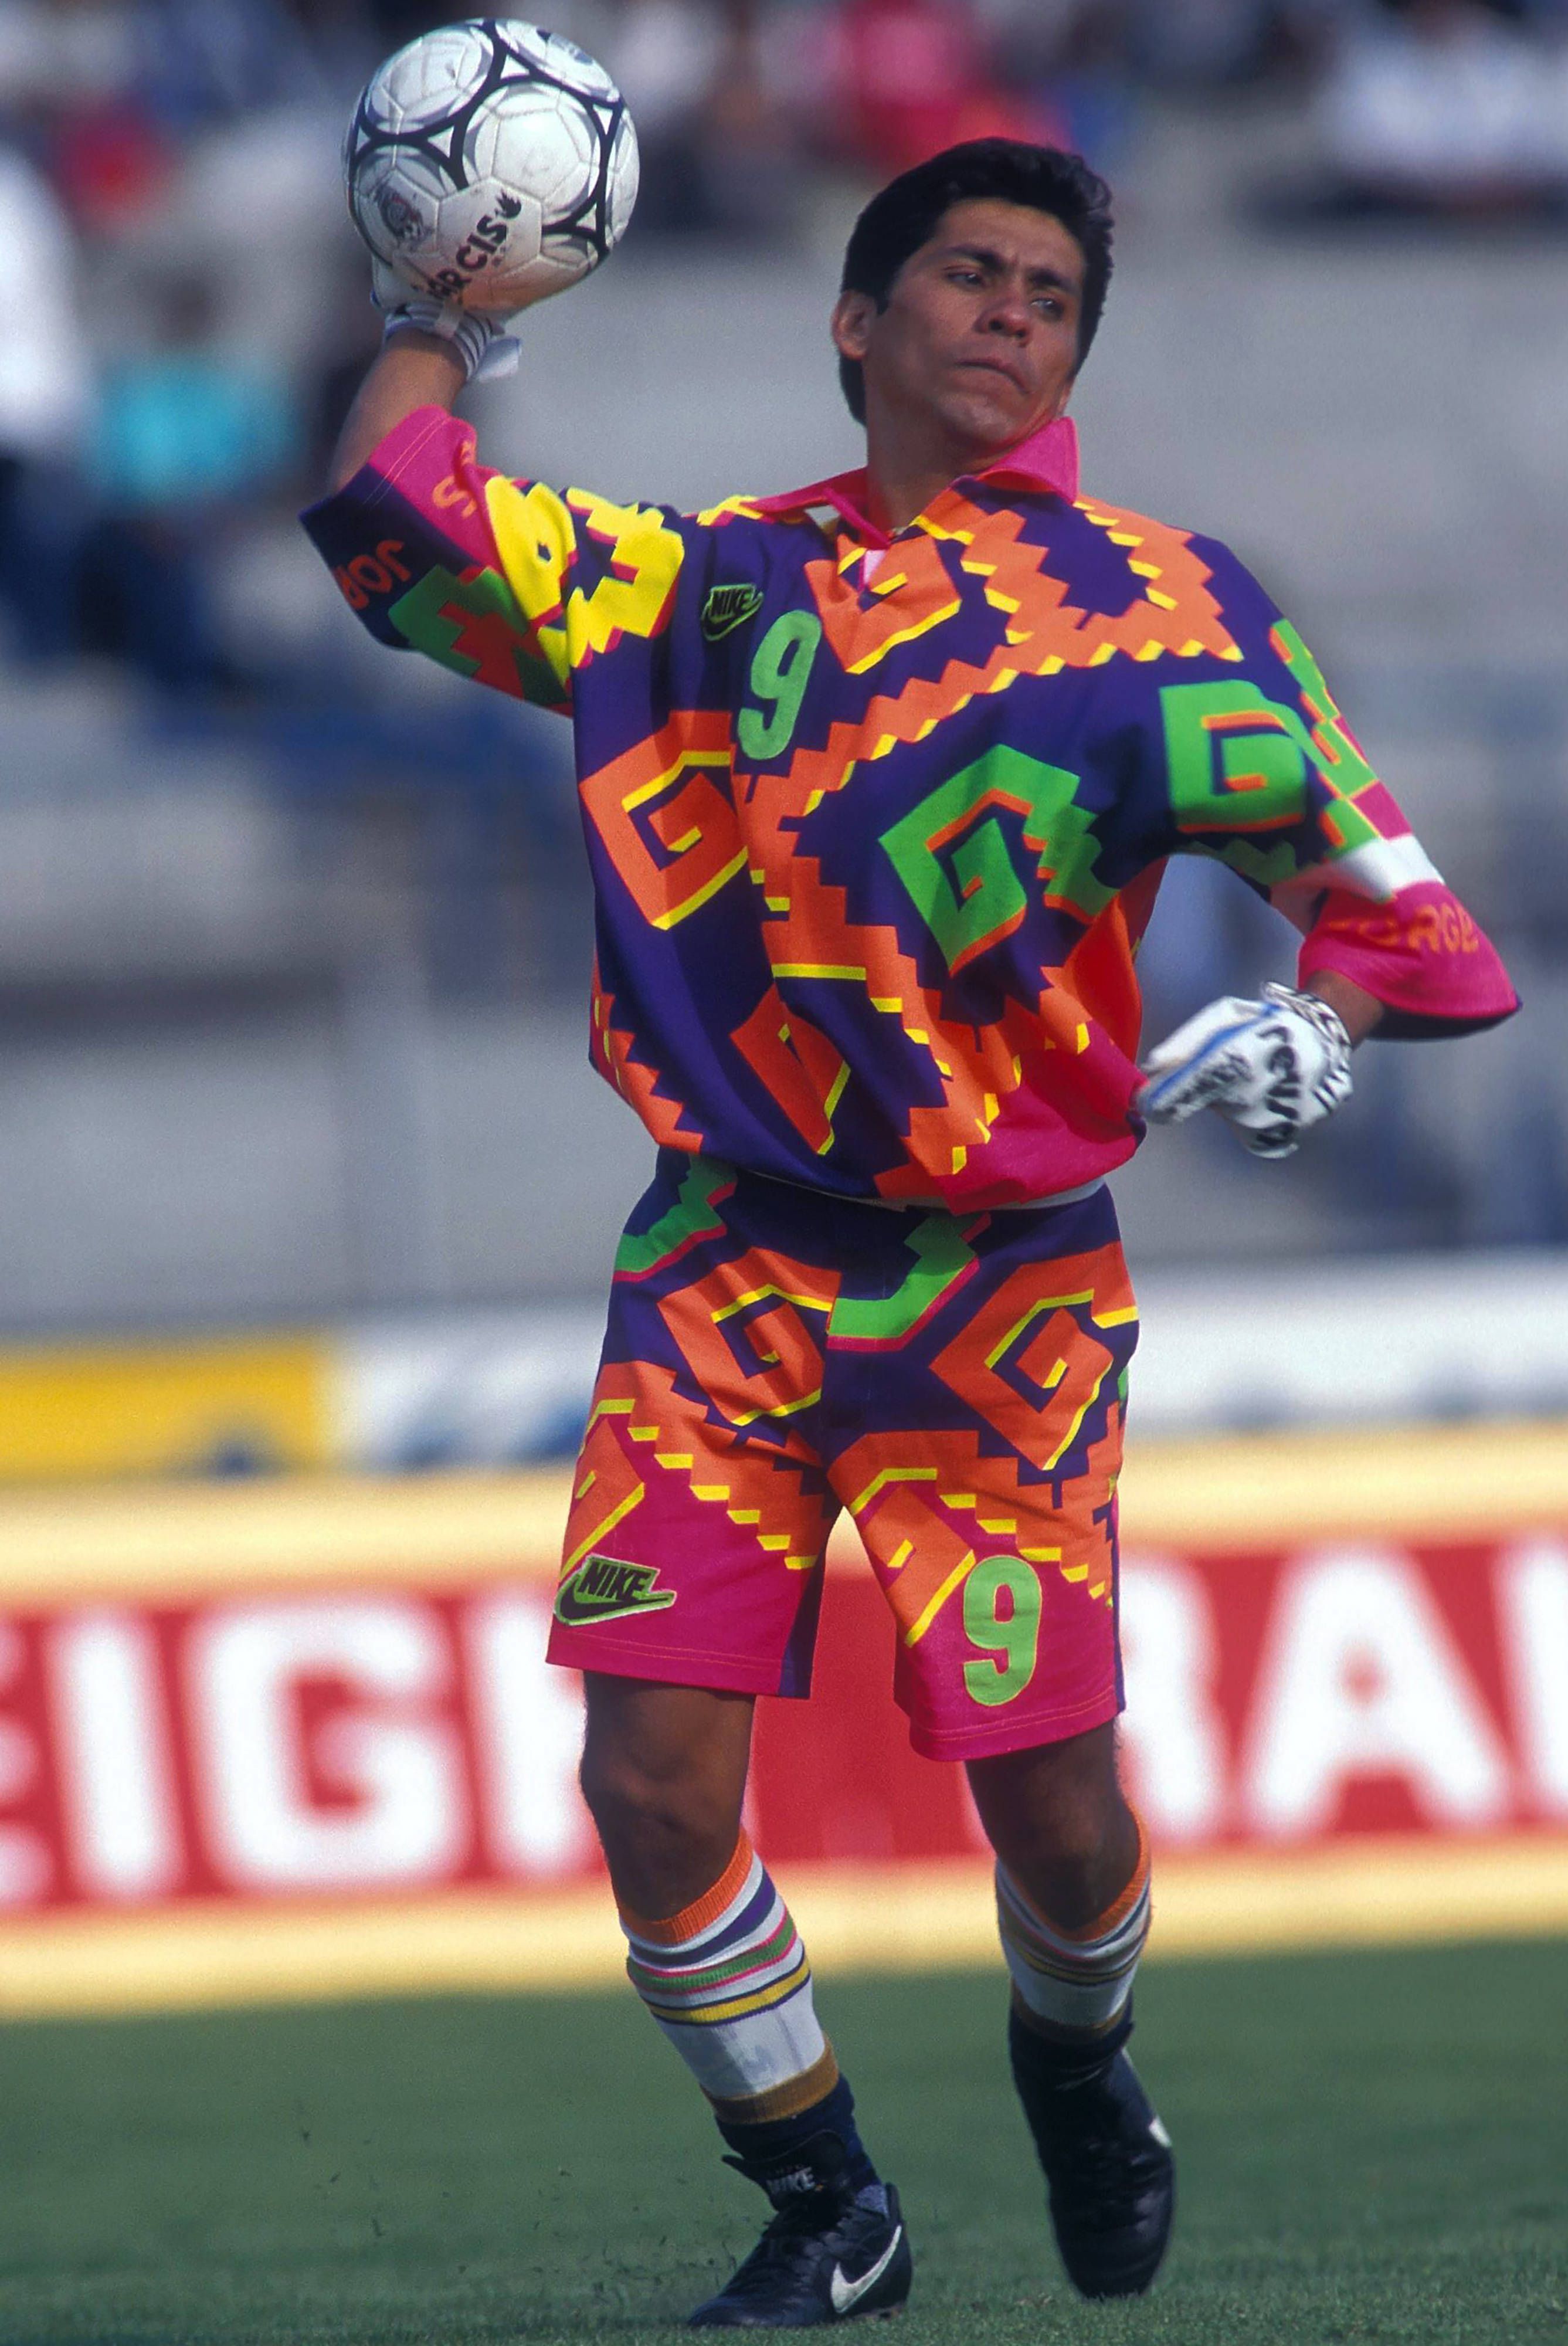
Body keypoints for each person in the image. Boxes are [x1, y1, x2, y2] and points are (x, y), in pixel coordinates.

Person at [304, 138, 1516, 2325]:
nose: (1010, 316)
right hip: (726, 1265)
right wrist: (448, 300)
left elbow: (1383, 909)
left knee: (1055, 1823)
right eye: (965, 275)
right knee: (644, 1784)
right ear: (854, 321)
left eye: (1050, 295)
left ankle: (1081, 2062)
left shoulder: (1172, 604)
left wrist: (1316, 1032)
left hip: (1007, 1287)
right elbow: (401, 525)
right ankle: (821, 2201)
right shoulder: (701, 584)